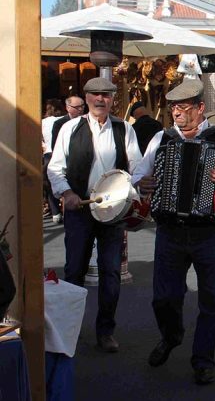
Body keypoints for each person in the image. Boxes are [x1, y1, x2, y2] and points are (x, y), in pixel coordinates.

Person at [131, 79, 215, 385]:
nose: (177, 114)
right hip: (170, 231)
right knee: (163, 298)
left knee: (213, 300)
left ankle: (203, 359)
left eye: (183, 108)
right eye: (173, 108)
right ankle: (172, 335)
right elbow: (139, 173)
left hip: (210, 233)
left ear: (199, 108)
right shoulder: (162, 138)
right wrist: (141, 183)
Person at [47, 77, 143, 353]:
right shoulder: (69, 128)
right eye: (95, 95)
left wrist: (128, 188)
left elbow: (136, 166)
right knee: (74, 270)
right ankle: (70, 329)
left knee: (111, 273)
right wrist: (67, 194)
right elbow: (55, 168)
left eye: (106, 95)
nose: (101, 99)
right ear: (86, 98)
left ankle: (105, 331)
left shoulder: (124, 128)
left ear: (113, 99)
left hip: (112, 212)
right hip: (80, 209)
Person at [42, 99, 65, 223]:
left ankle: (55, 212)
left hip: (48, 153)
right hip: (60, 152)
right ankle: (64, 209)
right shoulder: (63, 121)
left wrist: (43, 145)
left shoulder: (43, 122)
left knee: (50, 184)